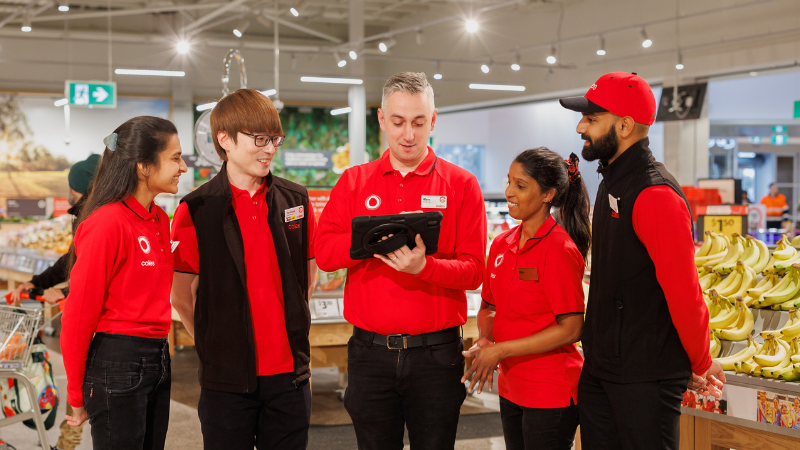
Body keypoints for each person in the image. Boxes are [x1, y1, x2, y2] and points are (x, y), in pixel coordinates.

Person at [315, 72, 487, 450]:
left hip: (438, 357)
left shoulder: (461, 184)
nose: (408, 134)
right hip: (369, 355)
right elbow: (325, 254)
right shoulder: (354, 182)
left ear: (434, 120)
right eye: (398, 122)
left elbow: (474, 271)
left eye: (418, 122)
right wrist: (370, 241)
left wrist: (425, 268)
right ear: (381, 119)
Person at [558, 72, 725, 450]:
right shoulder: (610, 182)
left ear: (625, 124)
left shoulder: (655, 194)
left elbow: (684, 291)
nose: (581, 126)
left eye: (591, 118)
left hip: (644, 377)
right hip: (602, 368)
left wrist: (699, 361)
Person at [170, 88, 316, 450]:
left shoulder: (296, 200)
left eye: (275, 139)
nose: (270, 149)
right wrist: (215, 341)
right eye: (260, 139)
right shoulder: (196, 209)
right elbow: (183, 296)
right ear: (225, 140)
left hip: (289, 378)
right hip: (226, 382)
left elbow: (307, 275)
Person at [61, 116, 187, 449]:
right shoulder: (106, 223)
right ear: (144, 166)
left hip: (158, 355)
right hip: (117, 361)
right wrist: (75, 392)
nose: (183, 167)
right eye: (175, 157)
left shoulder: (160, 218)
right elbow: (78, 314)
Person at [462, 149, 589, 450]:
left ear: (548, 195)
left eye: (520, 185)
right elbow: (490, 307)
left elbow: (571, 328)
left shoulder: (559, 249)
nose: (509, 192)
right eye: (508, 182)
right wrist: (484, 341)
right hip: (510, 386)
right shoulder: (502, 244)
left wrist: (501, 349)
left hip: (550, 390)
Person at [9, 153, 99, 450]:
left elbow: (98, 271)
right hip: (87, 311)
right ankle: (66, 441)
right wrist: (38, 282)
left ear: (80, 187)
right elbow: (72, 259)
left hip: (96, 319)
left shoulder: (96, 216)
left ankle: (68, 441)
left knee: (86, 382)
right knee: (81, 382)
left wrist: (64, 293)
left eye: (71, 185)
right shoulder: (88, 212)